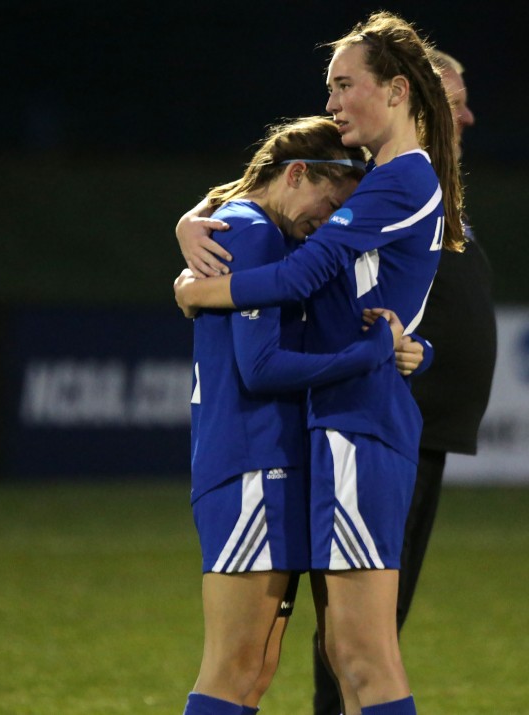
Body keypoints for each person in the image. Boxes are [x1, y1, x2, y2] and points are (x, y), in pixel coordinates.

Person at [173, 12, 463, 715]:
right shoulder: (381, 180)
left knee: (361, 659)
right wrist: (194, 215)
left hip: (357, 427)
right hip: (341, 426)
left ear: (396, 91)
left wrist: (197, 288)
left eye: (342, 85)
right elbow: (271, 193)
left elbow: (303, 275)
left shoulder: (398, 181)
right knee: (338, 655)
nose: (331, 103)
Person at [177, 115, 404, 715]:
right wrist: (368, 357)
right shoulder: (253, 231)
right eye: (328, 205)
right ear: (297, 172)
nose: (325, 226)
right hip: (252, 463)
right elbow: (260, 369)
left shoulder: (264, 229)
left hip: (270, 464)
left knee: (254, 669)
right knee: (235, 667)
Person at [309, 47, 497, 715]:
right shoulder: (375, 179)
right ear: (405, 98)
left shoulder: (426, 182)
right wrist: (195, 229)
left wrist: (421, 346)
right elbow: (272, 196)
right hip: (384, 425)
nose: (467, 115)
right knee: (361, 639)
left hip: (420, 428)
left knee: (371, 633)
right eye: (453, 101)